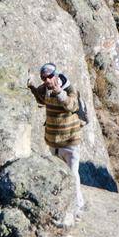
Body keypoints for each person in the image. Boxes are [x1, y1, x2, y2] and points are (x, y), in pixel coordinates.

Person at [29, 62, 86, 222]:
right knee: (58, 175)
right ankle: (62, 206)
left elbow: (72, 106)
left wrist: (59, 92)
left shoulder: (69, 89)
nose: (47, 80)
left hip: (70, 140)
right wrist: (30, 84)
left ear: (56, 75)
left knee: (73, 174)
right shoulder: (44, 90)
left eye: (49, 76)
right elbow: (39, 99)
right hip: (53, 141)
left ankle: (78, 206)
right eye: (44, 77)